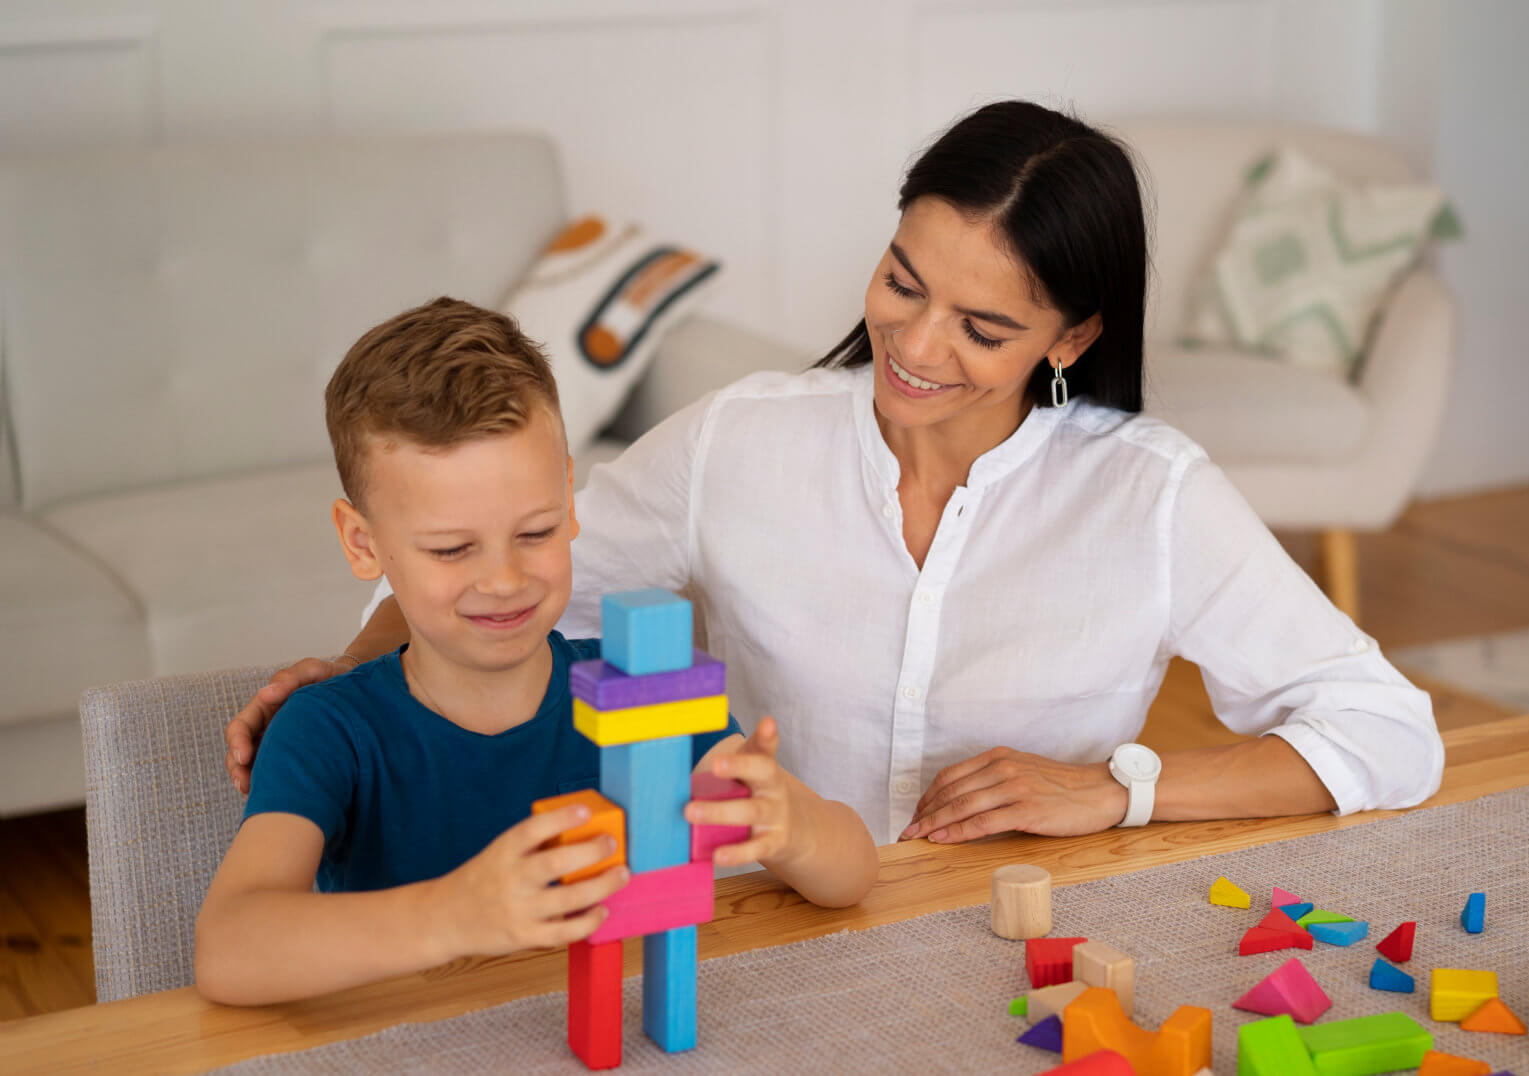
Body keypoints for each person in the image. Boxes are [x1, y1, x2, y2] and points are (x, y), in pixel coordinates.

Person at [225, 100, 1441, 853]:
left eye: (983, 327)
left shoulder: (1151, 495)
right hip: (770, 921)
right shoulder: (744, 440)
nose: (914, 347)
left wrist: (1118, 791)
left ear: (1069, 339)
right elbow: (523, 570)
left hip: (1028, 934)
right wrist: (347, 672)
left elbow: (1390, 730)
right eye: (904, 281)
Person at [195, 299, 877, 1006]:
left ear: (570, 500)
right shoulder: (330, 730)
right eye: (453, 548)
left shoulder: (641, 685)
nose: (504, 579)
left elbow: (852, 873)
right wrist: (457, 913)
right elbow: (228, 948)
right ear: (364, 544)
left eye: (536, 531)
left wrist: (790, 826)